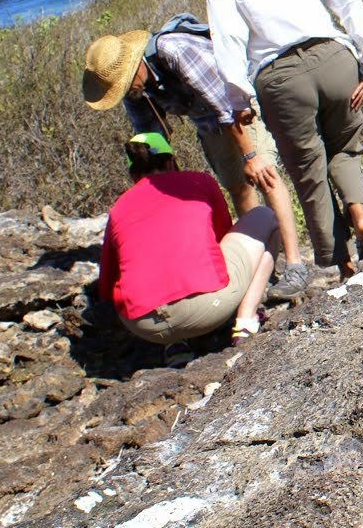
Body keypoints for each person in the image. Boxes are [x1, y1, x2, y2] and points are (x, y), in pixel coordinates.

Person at [203, 0, 363, 280]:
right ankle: (359, 212)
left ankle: (345, 264)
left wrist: (239, 97)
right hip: (336, 59)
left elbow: (227, 33)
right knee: (345, 148)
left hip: (280, 78)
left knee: (309, 172)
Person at [83, 20, 313, 299]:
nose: (126, 93)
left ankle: (294, 265)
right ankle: (265, 267)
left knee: (264, 176)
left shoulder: (173, 52)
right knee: (239, 189)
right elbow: (153, 138)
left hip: (239, 110)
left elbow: (225, 103)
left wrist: (250, 156)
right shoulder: (135, 91)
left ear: (134, 66)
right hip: (208, 124)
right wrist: (163, 186)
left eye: (123, 85)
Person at [97, 133, 278, 361]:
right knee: (266, 216)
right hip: (209, 309)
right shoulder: (198, 182)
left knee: (154, 267)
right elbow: (222, 237)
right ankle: (246, 323)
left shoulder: (118, 208)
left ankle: (175, 346)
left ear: (133, 173)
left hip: (145, 325)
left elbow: (106, 286)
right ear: (171, 161)